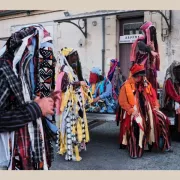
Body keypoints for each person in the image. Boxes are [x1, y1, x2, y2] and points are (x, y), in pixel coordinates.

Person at [0, 25, 58, 170]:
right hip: (14, 159)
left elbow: (26, 102)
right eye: (43, 54)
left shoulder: (26, 74)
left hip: (35, 155)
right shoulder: (4, 70)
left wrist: (46, 101)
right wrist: (37, 108)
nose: (47, 63)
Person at [118, 63, 172, 159]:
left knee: (163, 118)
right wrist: (131, 110)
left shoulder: (146, 84)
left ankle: (165, 145)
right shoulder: (126, 86)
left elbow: (154, 96)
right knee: (137, 124)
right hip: (134, 111)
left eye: (142, 76)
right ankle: (135, 151)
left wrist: (156, 106)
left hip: (150, 111)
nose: (142, 78)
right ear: (135, 76)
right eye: (140, 76)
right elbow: (122, 102)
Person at [55, 47, 93, 161]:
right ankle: (69, 152)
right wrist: (79, 83)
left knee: (76, 126)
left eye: (76, 55)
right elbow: (64, 87)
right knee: (70, 127)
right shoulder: (64, 71)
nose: (75, 57)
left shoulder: (72, 69)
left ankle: (75, 149)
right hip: (69, 106)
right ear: (67, 57)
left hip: (76, 103)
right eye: (73, 55)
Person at [130, 21, 160, 93]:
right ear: (147, 31)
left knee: (151, 83)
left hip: (151, 67)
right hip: (142, 65)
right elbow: (141, 45)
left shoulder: (153, 41)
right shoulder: (141, 40)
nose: (153, 33)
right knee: (142, 83)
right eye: (150, 31)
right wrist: (151, 51)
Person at [162, 61, 180, 141]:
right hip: (169, 101)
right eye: (177, 69)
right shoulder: (169, 79)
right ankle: (176, 135)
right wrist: (178, 99)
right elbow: (171, 92)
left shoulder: (176, 78)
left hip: (176, 100)